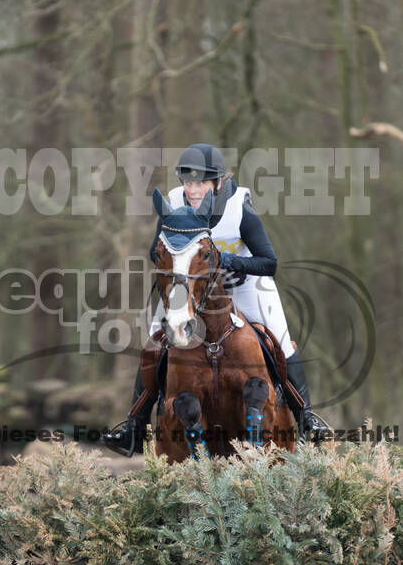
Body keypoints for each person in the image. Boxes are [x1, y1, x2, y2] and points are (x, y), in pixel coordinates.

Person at [105, 143, 327, 454]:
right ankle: (133, 425)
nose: (192, 190)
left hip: (246, 284)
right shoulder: (172, 204)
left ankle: (306, 419)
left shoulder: (239, 208)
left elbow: (269, 262)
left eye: (200, 183)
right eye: (188, 182)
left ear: (217, 183)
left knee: (281, 339)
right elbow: (156, 249)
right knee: (154, 342)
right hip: (190, 288)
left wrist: (227, 262)